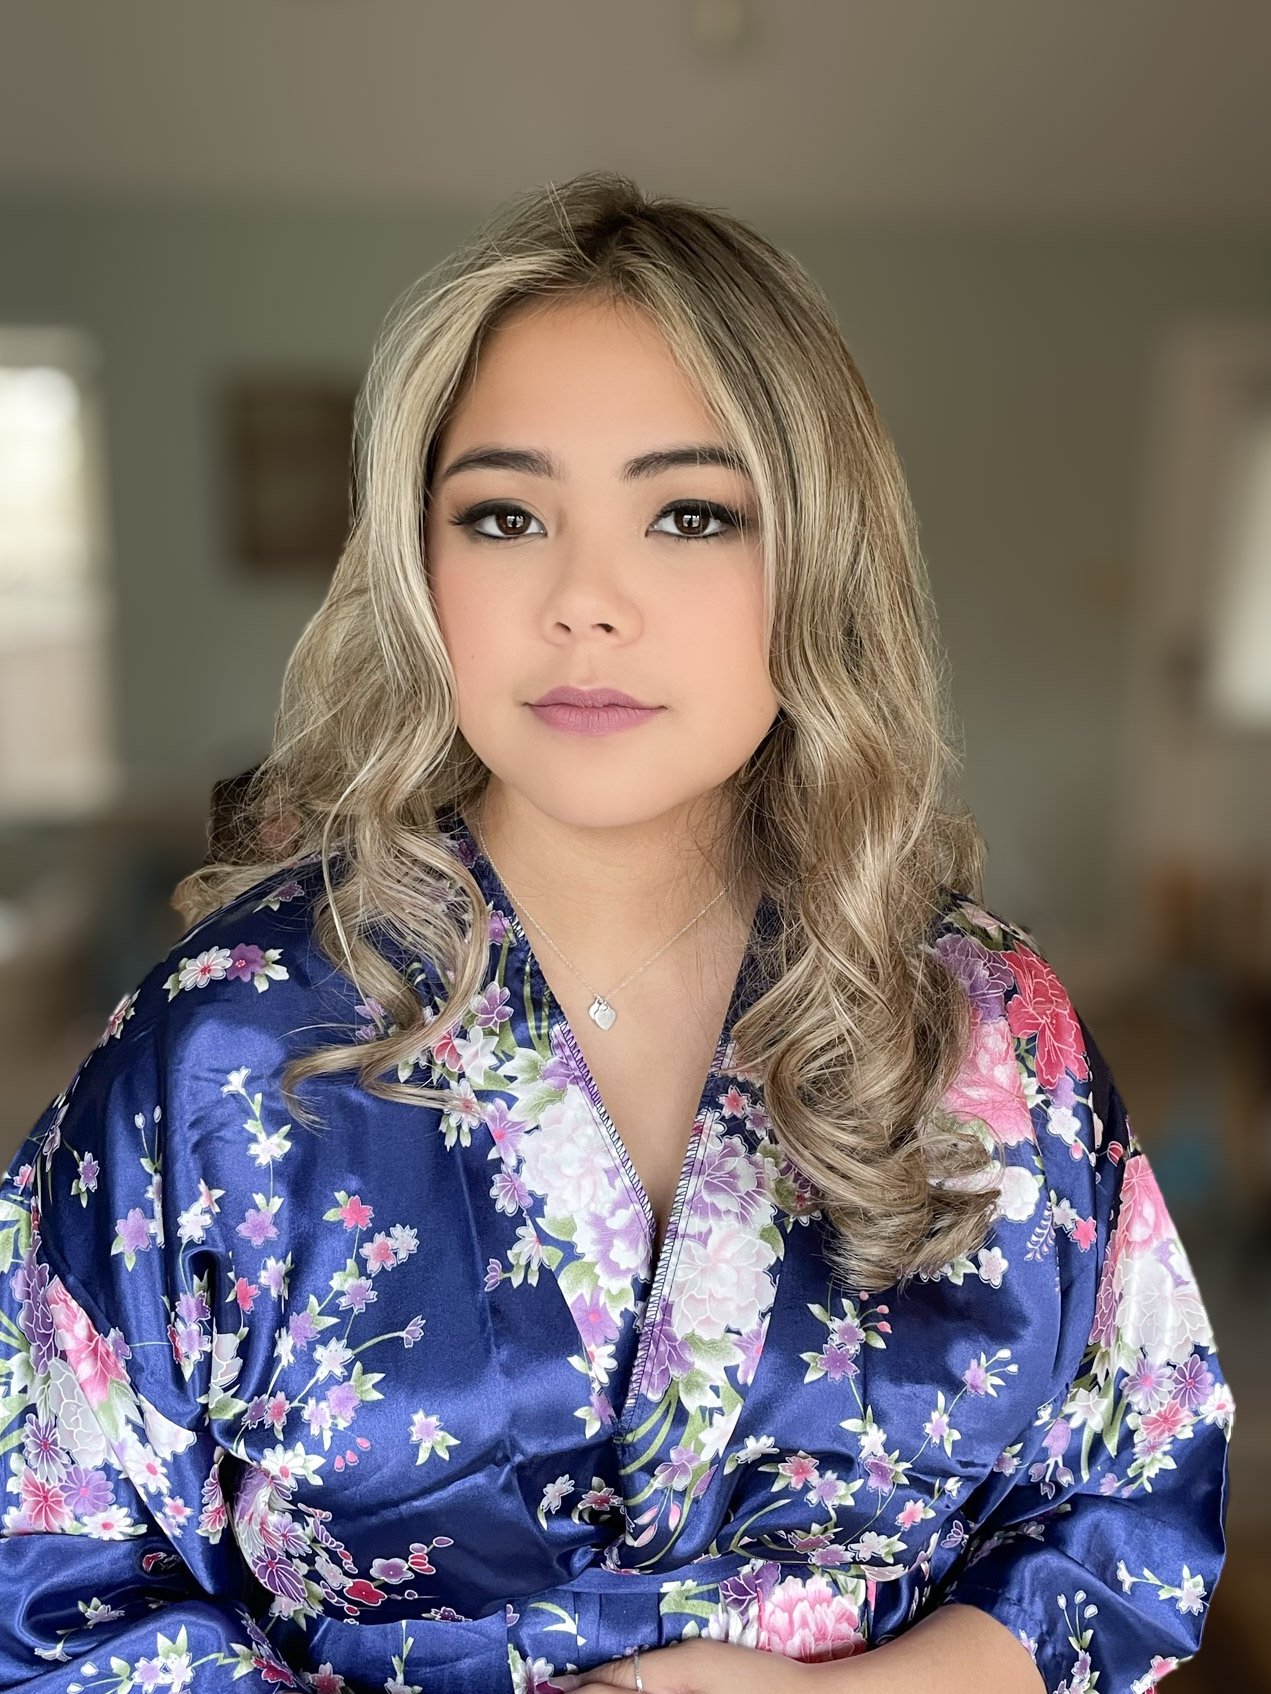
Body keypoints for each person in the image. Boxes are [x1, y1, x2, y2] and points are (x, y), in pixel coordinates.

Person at [0, 172, 1233, 1694]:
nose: (586, 601)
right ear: (420, 568)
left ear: (818, 555)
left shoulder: (987, 1024)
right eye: (506, 515)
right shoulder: (226, 1048)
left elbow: (1131, 1509)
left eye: (689, 514)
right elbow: (46, 1589)